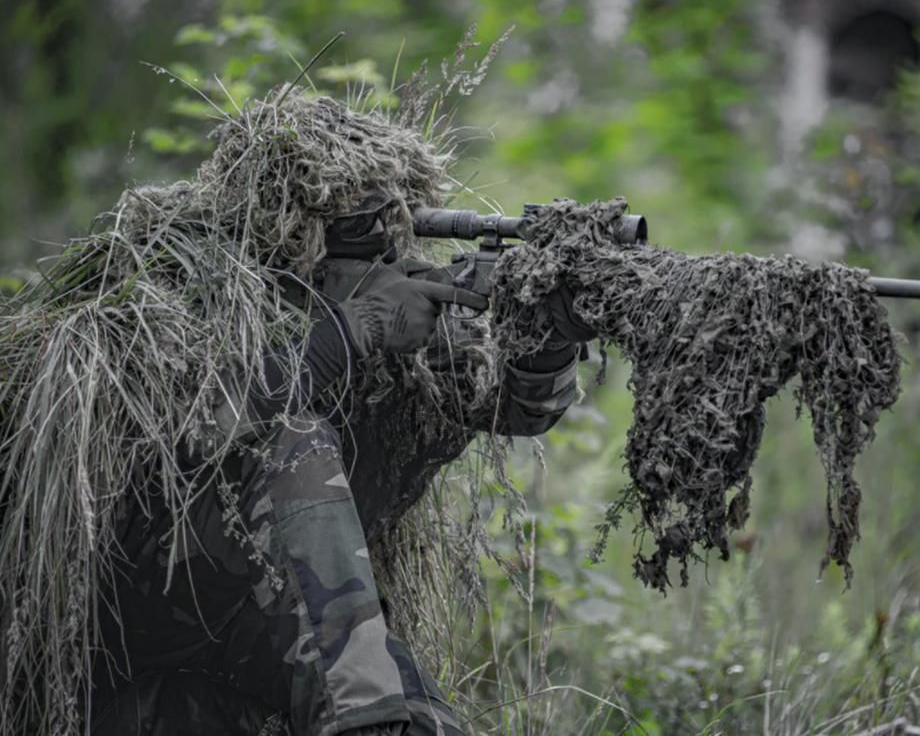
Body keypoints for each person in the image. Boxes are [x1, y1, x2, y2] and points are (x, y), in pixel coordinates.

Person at [88, 199, 596, 735]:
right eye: (357, 265)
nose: (380, 274)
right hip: (135, 632)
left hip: (249, 636)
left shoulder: (396, 321)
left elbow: (514, 408)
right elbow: (197, 430)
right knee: (296, 441)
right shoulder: (196, 291)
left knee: (414, 717)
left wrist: (548, 339)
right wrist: (349, 332)